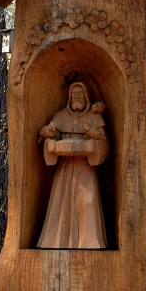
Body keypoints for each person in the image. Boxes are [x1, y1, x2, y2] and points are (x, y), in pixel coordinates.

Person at [37, 81, 109, 249]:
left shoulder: (95, 117)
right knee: (61, 207)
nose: (77, 97)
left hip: (86, 168)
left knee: (88, 202)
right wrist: (50, 144)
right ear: (69, 97)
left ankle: (90, 243)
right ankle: (57, 242)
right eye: (74, 94)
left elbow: (105, 143)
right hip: (64, 169)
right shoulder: (60, 117)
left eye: (80, 94)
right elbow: (48, 137)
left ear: (86, 96)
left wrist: (94, 146)